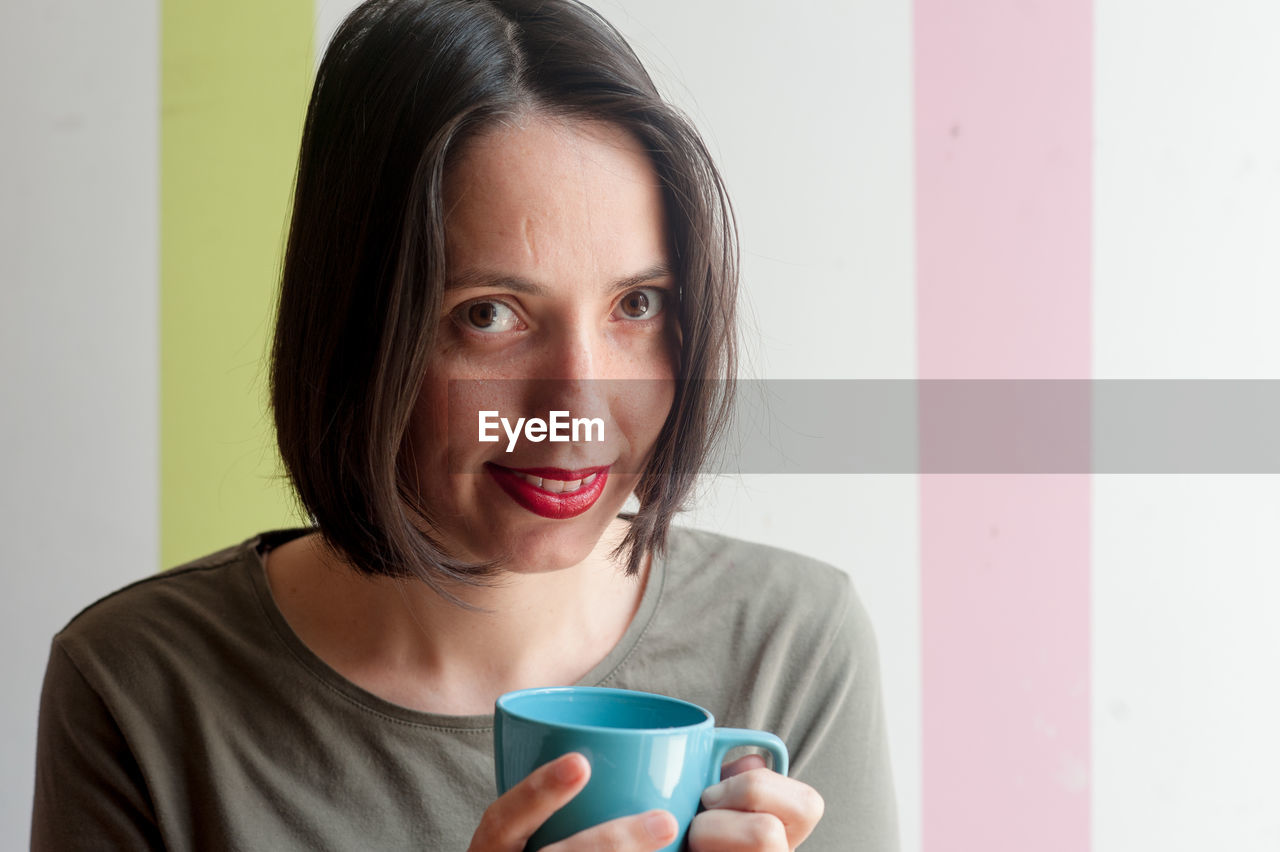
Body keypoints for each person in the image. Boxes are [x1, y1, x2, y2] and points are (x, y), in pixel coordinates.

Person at [31, 0, 898, 849]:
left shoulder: (793, 649)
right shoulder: (136, 691)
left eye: (637, 304)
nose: (578, 414)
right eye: (490, 315)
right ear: (359, 327)